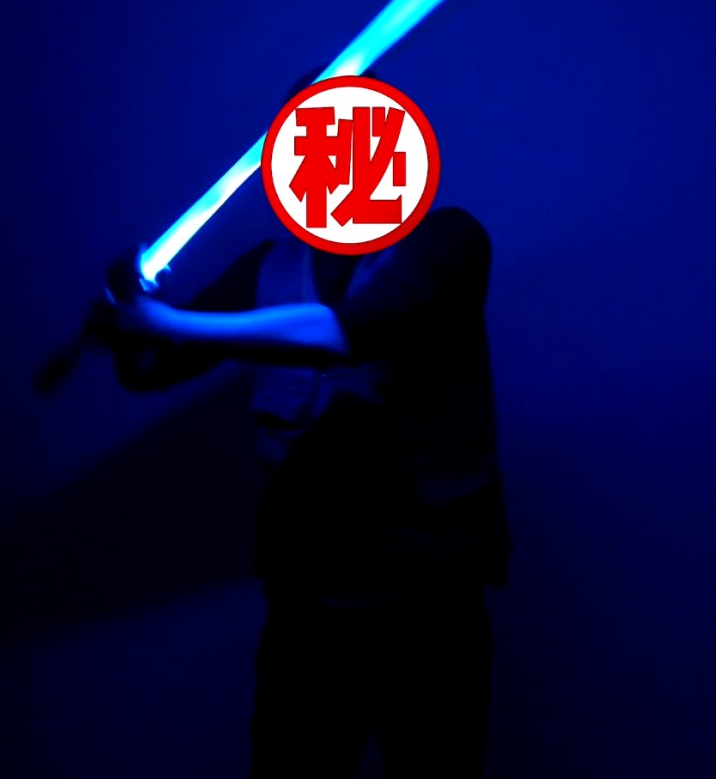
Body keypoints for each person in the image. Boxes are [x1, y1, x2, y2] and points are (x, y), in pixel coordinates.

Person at [86, 73, 510, 778]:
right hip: (310, 610)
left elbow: (340, 332)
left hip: (431, 610)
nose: (338, 156)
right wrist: (127, 319)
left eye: (356, 138)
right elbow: (152, 368)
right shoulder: (267, 267)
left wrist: (162, 321)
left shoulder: (448, 240)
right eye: (314, 141)